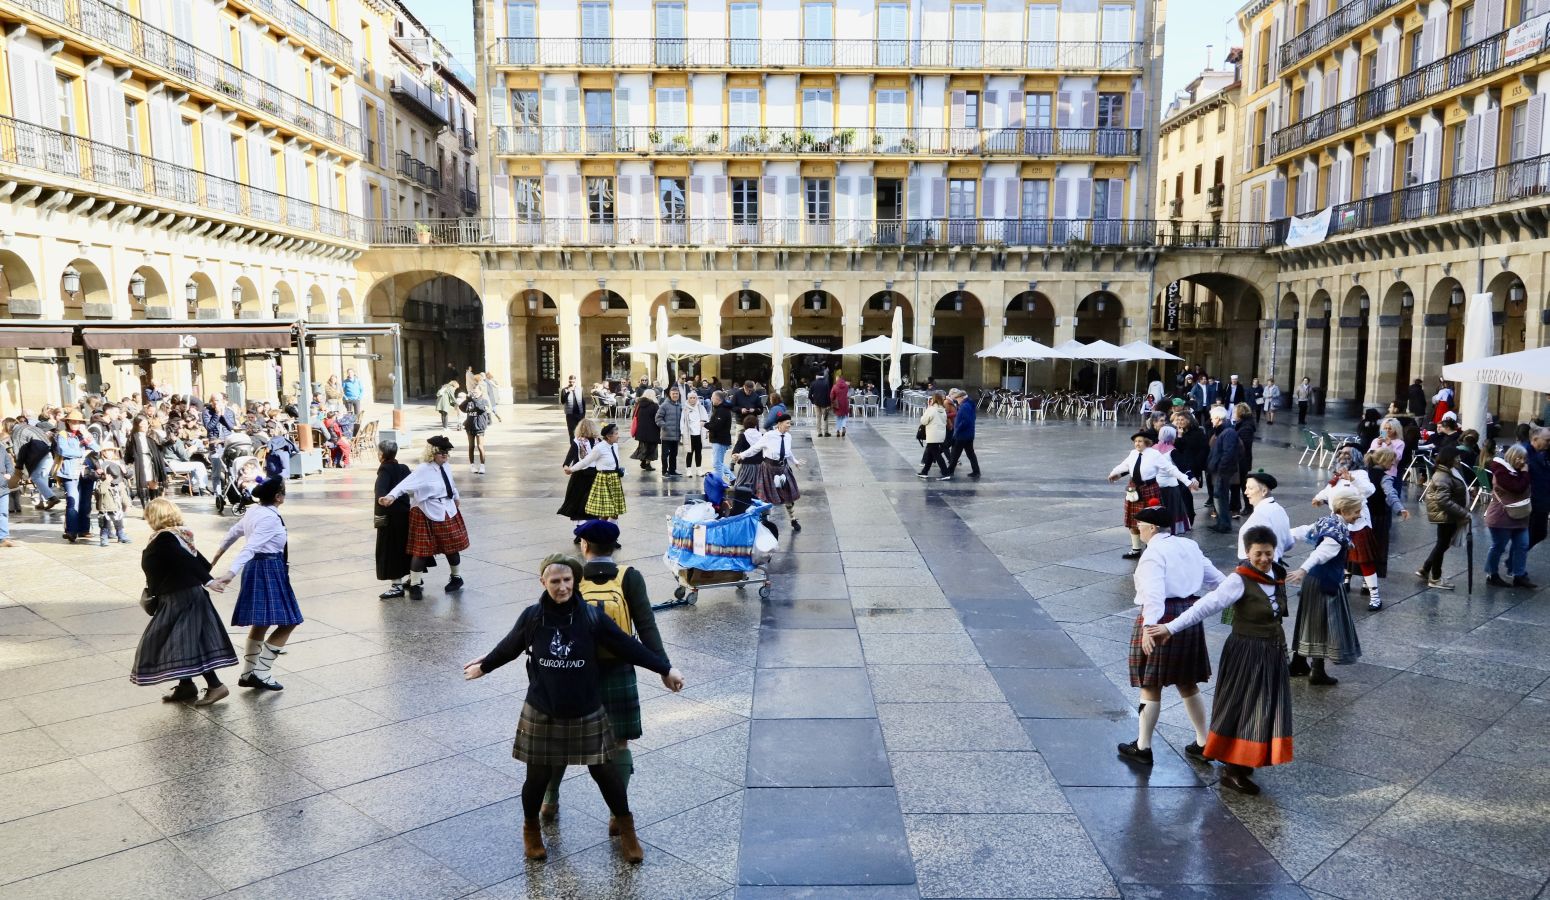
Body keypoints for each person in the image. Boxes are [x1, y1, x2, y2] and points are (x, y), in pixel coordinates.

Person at [463, 553, 684, 864]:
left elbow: (627, 645)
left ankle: (627, 831)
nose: (562, 587)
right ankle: (531, 831)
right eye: (555, 581)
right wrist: (484, 666)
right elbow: (510, 646)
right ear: (543, 582)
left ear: (575, 581)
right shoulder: (533, 616)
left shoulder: (591, 617)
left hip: (586, 709)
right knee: (536, 777)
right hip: (543, 708)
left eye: (567, 580)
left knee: (605, 773)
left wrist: (665, 668)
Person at [537, 521, 670, 826]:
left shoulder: (571, 578)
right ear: (614, 547)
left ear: (584, 545)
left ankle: (549, 800)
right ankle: (616, 814)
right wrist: (663, 667)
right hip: (618, 667)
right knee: (619, 742)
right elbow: (646, 625)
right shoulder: (629, 576)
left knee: (560, 739)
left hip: (575, 672)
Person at [1144, 525, 1294, 794]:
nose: (1264, 559)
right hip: (1247, 652)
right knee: (1245, 705)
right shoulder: (1239, 580)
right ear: (1247, 553)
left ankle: (1244, 757)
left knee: (1263, 705)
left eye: (1268, 553)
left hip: (1271, 650)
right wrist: (1170, 627)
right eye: (1258, 554)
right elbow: (1206, 605)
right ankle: (1231, 770)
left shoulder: (1277, 573)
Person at [1118, 501, 1223, 766]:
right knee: (1187, 681)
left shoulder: (1152, 554)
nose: (1138, 529)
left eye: (1141, 525)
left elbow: (1153, 595)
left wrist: (1148, 628)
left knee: (1150, 682)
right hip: (1190, 614)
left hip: (1161, 616)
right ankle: (1204, 742)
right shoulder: (1189, 545)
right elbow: (1216, 580)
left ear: (1153, 528)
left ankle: (1143, 746)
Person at [132, 497, 236, 705]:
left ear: (156, 516)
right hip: (181, 596)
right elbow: (201, 563)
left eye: (148, 516)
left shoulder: (165, 538)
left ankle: (216, 686)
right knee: (183, 640)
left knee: (183, 642)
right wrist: (199, 577)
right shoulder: (179, 535)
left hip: (181, 598)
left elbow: (186, 560)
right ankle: (186, 686)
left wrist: (207, 581)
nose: (147, 520)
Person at [211, 477, 301, 691]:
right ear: (278, 497)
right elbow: (249, 547)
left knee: (261, 623)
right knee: (290, 621)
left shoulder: (254, 511)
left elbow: (232, 534)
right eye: (283, 491)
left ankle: (248, 673)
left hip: (257, 568)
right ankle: (261, 673)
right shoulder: (270, 518)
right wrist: (230, 573)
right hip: (268, 568)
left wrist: (214, 559)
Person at [1286, 493, 1365, 685]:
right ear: (1344, 511)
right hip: (1325, 582)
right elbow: (1321, 554)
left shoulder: (1327, 521)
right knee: (1322, 623)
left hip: (1315, 580)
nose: (1359, 515)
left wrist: (1282, 533)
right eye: (1356, 512)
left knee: (1309, 620)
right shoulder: (1336, 533)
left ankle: (1298, 662)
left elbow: (1304, 531)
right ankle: (1317, 671)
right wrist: (1303, 569)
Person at [379, 435, 471, 599]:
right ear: (432, 452)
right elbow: (404, 485)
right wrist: (391, 496)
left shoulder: (446, 466)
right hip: (426, 510)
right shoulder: (423, 469)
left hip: (447, 509)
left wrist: (456, 497)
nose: (445, 455)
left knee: (451, 547)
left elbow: (451, 484)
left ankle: (456, 578)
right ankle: (415, 584)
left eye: (447, 452)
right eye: (441, 452)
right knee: (421, 550)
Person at [1109, 429, 1193, 559]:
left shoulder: (1154, 455)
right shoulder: (1133, 454)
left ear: (1147, 442)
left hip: (1149, 489)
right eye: (1135, 441)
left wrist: (1187, 481)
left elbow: (1171, 469)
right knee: (1132, 520)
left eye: (1140, 441)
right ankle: (1136, 549)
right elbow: (1124, 466)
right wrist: (1114, 473)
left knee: (1150, 521)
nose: (1137, 444)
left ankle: (1151, 548)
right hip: (1134, 489)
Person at [738, 412, 803, 531]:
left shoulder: (788, 436)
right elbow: (755, 448)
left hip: (783, 469)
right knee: (765, 497)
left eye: (790, 423)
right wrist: (741, 455)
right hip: (768, 469)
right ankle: (763, 519)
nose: (789, 425)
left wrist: (795, 461)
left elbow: (788, 452)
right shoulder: (769, 435)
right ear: (779, 424)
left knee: (787, 495)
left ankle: (793, 519)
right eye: (787, 423)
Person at [1417, 445, 1469, 590]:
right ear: (1449, 458)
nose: (1459, 459)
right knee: (1442, 544)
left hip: (1448, 514)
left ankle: (1426, 568)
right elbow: (1443, 500)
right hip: (1446, 515)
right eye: (1456, 457)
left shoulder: (1447, 472)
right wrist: (1463, 513)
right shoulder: (1443, 475)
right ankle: (1435, 578)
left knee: (1443, 544)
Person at [1484, 444, 1536, 589]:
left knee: (1522, 545)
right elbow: (1517, 488)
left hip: (1521, 516)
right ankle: (1492, 574)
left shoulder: (1518, 471)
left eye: (1524, 458)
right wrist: (1525, 473)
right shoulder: (1501, 471)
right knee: (1499, 547)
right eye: (1519, 458)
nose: (1522, 461)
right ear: (1511, 456)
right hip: (1501, 517)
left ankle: (1518, 575)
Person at [374, 440, 416, 600]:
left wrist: (381, 499)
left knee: (391, 550)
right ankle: (415, 579)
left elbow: (381, 491)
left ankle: (396, 585)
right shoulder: (403, 468)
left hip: (390, 517)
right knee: (407, 547)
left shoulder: (384, 469)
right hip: (406, 514)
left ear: (381, 454)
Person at [55, 409, 96, 543]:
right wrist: (80, 453)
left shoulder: (84, 434)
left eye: (78, 422)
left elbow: (97, 448)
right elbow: (63, 450)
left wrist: (87, 436)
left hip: (86, 471)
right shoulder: (62, 435)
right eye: (73, 422)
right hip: (70, 471)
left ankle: (84, 529)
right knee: (73, 501)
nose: (75, 424)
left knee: (86, 502)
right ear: (67, 422)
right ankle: (71, 531)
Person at [1238, 472, 1294, 563]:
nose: (1245, 492)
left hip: (1260, 567)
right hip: (1275, 565)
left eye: (1250, 488)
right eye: (1246, 488)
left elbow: (1244, 556)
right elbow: (1289, 543)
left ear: (1264, 491)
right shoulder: (1280, 509)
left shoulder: (1259, 516)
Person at [559, 419, 603, 531]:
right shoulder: (599, 441)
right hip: (595, 475)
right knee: (593, 502)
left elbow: (569, 457)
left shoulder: (577, 441)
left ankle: (581, 530)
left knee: (577, 502)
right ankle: (591, 528)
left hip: (580, 475)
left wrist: (566, 467)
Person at [10, 412, 58, 510]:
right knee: (42, 479)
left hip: (38, 456)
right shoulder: (31, 428)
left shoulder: (17, 432)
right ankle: (42, 502)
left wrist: (19, 466)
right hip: (48, 453)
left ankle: (52, 498)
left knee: (36, 477)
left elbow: (19, 450)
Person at [1152, 426, 1194, 535]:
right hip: (1170, 487)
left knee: (1158, 509)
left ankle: (1157, 529)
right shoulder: (1172, 451)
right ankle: (1171, 530)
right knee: (1172, 509)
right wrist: (1192, 479)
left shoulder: (1153, 449)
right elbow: (1183, 467)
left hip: (1156, 486)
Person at [1205, 407, 1241, 533]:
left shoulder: (1228, 432)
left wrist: (1221, 468)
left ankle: (1224, 524)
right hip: (1221, 470)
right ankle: (1222, 522)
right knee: (1219, 496)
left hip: (1223, 471)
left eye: (1212, 418)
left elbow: (1228, 453)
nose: (1211, 421)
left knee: (1221, 496)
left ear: (1218, 418)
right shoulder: (1223, 431)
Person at [1171, 409, 1208, 526]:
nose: (1179, 422)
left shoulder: (1198, 433)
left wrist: (1197, 464)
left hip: (1192, 467)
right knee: (1182, 492)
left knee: (1185, 492)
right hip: (1181, 467)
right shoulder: (1179, 433)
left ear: (1189, 420)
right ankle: (1184, 516)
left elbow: (1203, 450)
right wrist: (1180, 436)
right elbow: (1178, 449)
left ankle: (1189, 515)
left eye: (1182, 419)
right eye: (1178, 420)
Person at [92, 451, 133, 546]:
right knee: (104, 524)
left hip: (117, 507)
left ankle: (121, 535)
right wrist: (106, 481)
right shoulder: (101, 482)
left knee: (119, 523)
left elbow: (123, 494)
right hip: (104, 508)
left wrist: (127, 504)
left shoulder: (119, 483)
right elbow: (100, 491)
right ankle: (104, 537)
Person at [1520, 427, 1550, 549]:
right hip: (1533, 501)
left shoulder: (1543, 453)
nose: (1549, 443)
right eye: (1547, 440)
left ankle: (1515, 557)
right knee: (1530, 534)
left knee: (1539, 534)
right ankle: (1515, 557)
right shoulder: (1524, 453)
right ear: (1535, 439)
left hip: (1542, 501)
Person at [946, 388, 980, 479]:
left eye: (957, 399)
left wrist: (957, 430)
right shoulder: (969, 404)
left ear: (961, 397)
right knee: (970, 454)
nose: (957, 400)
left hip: (962, 435)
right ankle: (976, 471)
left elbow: (965, 421)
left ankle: (950, 471)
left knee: (955, 454)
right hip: (969, 434)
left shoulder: (964, 406)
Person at [918, 392, 950, 480]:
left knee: (936, 455)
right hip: (940, 435)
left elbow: (923, 421)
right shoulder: (943, 410)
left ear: (934, 400)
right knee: (930, 454)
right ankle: (924, 472)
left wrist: (926, 411)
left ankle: (946, 473)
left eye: (931, 399)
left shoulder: (931, 409)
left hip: (932, 435)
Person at [461, 387, 492, 475]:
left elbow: (481, 409)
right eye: (473, 392)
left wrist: (474, 400)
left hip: (479, 426)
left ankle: (482, 466)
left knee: (480, 446)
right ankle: (472, 465)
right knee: (471, 446)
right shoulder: (470, 401)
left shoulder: (484, 401)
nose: (474, 394)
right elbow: (462, 408)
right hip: (469, 426)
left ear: (481, 392)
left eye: (476, 392)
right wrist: (467, 400)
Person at [1232, 403, 1257, 516]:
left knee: (1243, 484)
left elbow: (1244, 445)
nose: (1233, 414)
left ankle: (1248, 506)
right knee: (1239, 483)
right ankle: (1240, 506)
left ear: (1240, 413)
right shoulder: (1242, 424)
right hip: (1241, 459)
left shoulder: (1246, 427)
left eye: (1235, 412)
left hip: (1242, 460)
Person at [655, 386, 684, 480]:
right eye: (673, 394)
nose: (675, 395)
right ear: (670, 394)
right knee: (665, 455)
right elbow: (658, 418)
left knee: (674, 454)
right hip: (666, 435)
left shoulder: (679, 406)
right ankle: (664, 471)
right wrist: (664, 426)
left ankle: (672, 470)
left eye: (677, 394)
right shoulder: (664, 405)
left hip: (676, 435)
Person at [731, 414, 764, 493]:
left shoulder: (743, 436)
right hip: (759, 466)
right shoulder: (762, 436)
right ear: (756, 424)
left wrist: (734, 455)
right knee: (758, 488)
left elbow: (736, 449)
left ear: (745, 425)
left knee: (741, 487)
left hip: (747, 466)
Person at [680, 387, 709, 478]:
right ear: (688, 399)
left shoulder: (701, 408)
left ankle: (699, 470)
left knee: (698, 452)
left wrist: (706, 429)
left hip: (699, 434)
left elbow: (706, 419)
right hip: (689, 434)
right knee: (689, 452)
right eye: (690, 398)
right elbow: (682, 421)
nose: (692, 399)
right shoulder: (685, 409)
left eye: (694, 398)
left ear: (696, 398)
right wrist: (682, 432)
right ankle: (688, 470)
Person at [706, 391, 733, 484]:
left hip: (720, 440)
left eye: (712, 398)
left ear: (718, 399)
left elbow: (716, 426)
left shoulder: (722, 410)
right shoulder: (718, 409)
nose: (711, 399)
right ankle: (732, 478)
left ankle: (719, 483)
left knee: (717, 464)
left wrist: (705, 425)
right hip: (718, 439)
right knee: (719, 462)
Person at [631, 389, 660, 472]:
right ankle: (647, 464)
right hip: (652, 431)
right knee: (651, 448)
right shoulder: (654, 406)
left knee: (643, 446)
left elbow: (634, 416)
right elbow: (657, 418)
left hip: (640, 431)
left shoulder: (638, 405)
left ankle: (643, 461)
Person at [561, 375, 587, 445]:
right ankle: (573, 446)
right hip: (570, 414)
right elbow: (562, 401)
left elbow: (583, 402)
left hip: (579, 413)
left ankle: (581, 445)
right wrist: (568, 392)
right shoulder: (564, 390)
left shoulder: (579, 389)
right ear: (568, 381)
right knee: (572, 432)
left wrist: (584, 413)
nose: (572, 383)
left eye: (573, 382)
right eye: (570, 382)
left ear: (575, 381)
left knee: (581, 431)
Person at [810, 370, 833, 437]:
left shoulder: (813, 383)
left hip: (816, 403)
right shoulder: (826, 383)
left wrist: (813, 401)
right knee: (825, 418)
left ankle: (819, 432)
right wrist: (829, 404)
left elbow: (809, 395)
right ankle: (826, 432)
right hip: (824, 404)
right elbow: (828, 395)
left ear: (817, 376)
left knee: (818, 418)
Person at [830, 372, 852, 438]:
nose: (836, 379)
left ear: (838, 379)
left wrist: (832, 401)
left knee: (838, 418)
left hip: (838, 404)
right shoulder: (846, 386)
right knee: (844, 416)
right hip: (845, 403)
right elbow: (846, 393)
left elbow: (831, 396)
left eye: (836, 378)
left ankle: (838, 431)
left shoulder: (835, 386)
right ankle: (844, 427)